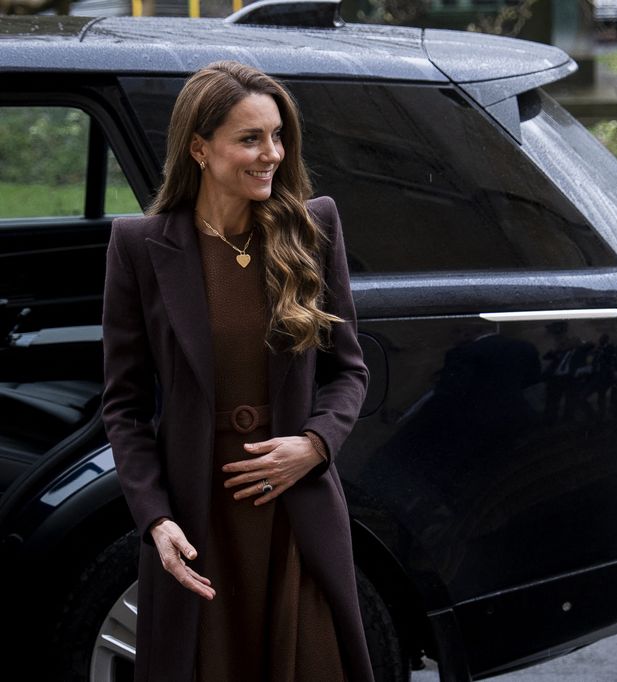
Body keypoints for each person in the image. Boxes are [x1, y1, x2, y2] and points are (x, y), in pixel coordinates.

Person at [101, 61, 374, 681]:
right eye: (250, 138)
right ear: (199, 147)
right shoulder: (140, 247)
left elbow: (347, 372)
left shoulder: (313, 226)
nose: (271, 154)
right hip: (199, 519)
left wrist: (313, 445)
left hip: (295, 511)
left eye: (278, 136)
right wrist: (156, 518)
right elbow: (123, 405)